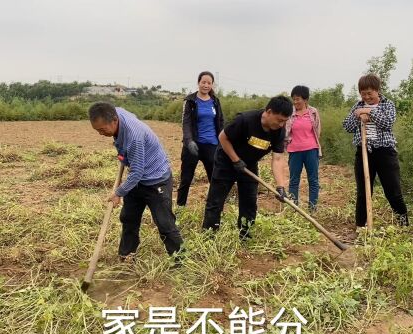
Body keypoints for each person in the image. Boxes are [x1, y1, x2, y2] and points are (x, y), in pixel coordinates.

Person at [88, 102, 183, 263]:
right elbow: (135, 171)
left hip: (155, 179)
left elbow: (137, 173)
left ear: (114, 121)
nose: (100, 133)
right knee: (128, 217)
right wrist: (123, 155)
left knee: (164, 223)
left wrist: (118, 193)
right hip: (137, 179)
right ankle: (127, 255)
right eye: (97, 130)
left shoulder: (134, 136)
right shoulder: (117, 112)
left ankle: (181, 258)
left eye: (102, 129)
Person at [202, 95, 292, 240]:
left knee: (249, 202)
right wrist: (235, 160)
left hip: (249, 165)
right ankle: (209, 235)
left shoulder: (279, 132)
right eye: (279, 120)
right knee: (216, 200)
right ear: (268, 112)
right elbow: (222, 138)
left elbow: (278, 158)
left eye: (285, 121)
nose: (281, 125)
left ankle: (245, 234)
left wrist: (280, 186)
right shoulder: (245, 120)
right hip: (226, 161)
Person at [343, 74, 408, 228]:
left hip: (385, 153)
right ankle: (361, 226)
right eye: (363, 93)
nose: (366, 97)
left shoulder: (387, 105)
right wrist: (357, 115)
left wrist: (369, 112)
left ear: (377, 91)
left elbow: (387, 123)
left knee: (393, 191)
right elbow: (347, 127)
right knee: (363, 192)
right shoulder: (357, 106)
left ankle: (403, 224)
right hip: (364, 152)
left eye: (370, 93)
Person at [177, 71, 225, 206]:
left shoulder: (215, 101)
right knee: (186, 179)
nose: (206, 85)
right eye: (203, 82)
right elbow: (185, 123)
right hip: (193, 145)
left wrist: (222, 142)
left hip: (212, 145)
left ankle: (215, 207)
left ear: (212, 85)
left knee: (214, 179)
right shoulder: (190, 101)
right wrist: (189, 141)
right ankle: (180, 207)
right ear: (198, 83)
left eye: (209, 83)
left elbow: (220, 122)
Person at [285, 85, 322, 212]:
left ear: (306, 100)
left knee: (313, 180)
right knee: (294, 180)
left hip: (311, 149)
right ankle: (294, 208)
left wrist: (315, 146)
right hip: (294, 150)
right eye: (293, 99)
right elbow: (285, 132)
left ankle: (313, 208)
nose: (295, 102)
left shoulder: (313, 112)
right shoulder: (290, 113)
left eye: (298, 99)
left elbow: (317, 130)